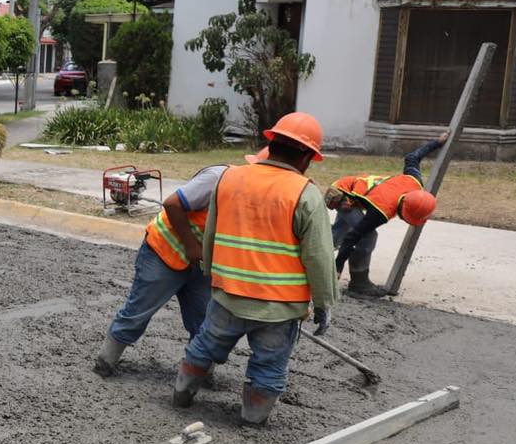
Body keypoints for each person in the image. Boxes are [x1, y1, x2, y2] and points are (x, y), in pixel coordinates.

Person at [172, 113, 338, 426]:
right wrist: (323, 302)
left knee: (204, 346)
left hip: (228, 295)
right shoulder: (305, 194)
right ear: (307, 157)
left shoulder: (230, 178)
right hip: (279, 308)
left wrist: (212, 274)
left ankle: (181, 396)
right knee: (269, 365)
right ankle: (252, 418)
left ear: (271, 142)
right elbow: (318, 256)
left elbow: (211, 232)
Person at [94, 163, 229, 377]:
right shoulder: (217, 179)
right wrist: (192, 245)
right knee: (138, 311)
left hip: (202, 263)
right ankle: (105, 362)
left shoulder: (262, 198)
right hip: (164, 251)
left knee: (205, 321)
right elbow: (172, 204)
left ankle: (198, 375)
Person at [327, 132, 448, 297]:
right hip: (342, 195)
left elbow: (413, 157)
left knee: (337, 235)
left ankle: (307, 253)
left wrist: (437, 142)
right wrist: (337, 268)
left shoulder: (414, 182)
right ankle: (358, 283)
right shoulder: (381, 210)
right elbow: (353, 238)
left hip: (353, 189)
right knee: (367, 237)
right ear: (404, 212)